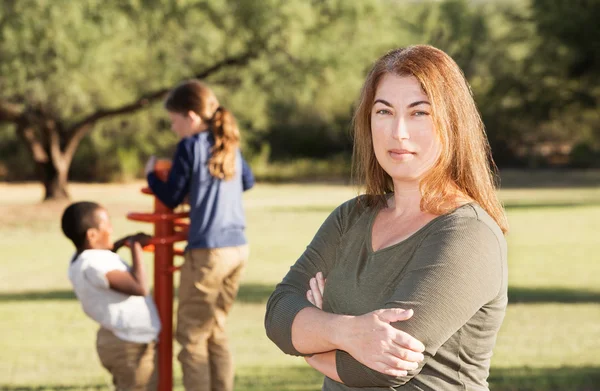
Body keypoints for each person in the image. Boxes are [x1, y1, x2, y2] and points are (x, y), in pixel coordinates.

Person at [265, 44, 509, 390]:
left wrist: (310, 341)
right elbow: (278, 312)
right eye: (384, 111)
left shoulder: (467, 233)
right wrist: (346, 332)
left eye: (419, 113)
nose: (398, 132)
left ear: (452, 122)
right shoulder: (351, 217)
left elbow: (382, 369)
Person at [145, 80, 254, 391]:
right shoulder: (229, 143)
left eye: (173, 121)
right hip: (237, 247)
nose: (173, 128)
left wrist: (151, 174)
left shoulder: (190, 146)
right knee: (216, 330)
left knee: (191, 336)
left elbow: (171, 194)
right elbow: (247, 181)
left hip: (208, 250)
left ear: (191, 117)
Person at [61, 201, 160, 391]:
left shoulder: (83, 258)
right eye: (107, 225)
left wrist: (121, 243)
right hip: (130, 345)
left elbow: (105, 259)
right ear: (92, 235)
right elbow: (139, 287)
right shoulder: (94, 264)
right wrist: (135, 248)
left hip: (121, 339)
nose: (111, 229)